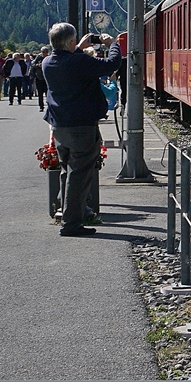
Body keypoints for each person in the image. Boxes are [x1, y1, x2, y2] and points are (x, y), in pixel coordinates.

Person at [42, 23, 121, 237]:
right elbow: (111, 64)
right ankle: (71, 224)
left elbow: (70, 63)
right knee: (80, 175)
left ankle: (65, 214)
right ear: (69, 42)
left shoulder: (47, 62)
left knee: (68, 172)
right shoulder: (79, 61)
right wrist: (113, 44)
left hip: (60, 126)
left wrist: (78, 47)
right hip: (81, 127)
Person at [31, 47, 50, 112]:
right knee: (40, 94)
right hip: (39, 77)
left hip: (47, 78)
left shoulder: (49, 57)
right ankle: (41, 106)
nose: (44, 53)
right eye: (43, 52)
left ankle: (49, 106)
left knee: (48, 93)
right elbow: (33, 64)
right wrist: (38, 65)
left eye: (46, 52)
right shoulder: (38, 57)